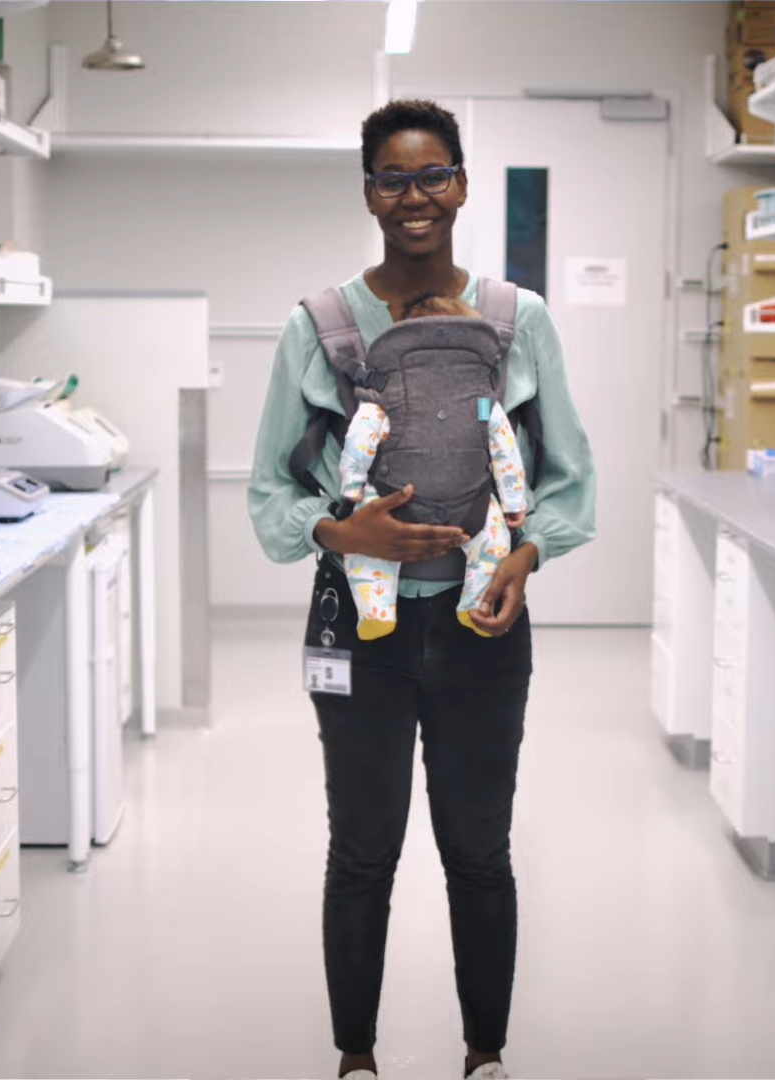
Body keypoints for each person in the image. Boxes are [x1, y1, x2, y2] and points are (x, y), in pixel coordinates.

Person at [247, 99, 597, 1080]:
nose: (416, 196)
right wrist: (336, 529)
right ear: (368, 193)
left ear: (463, 184)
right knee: (362, 853)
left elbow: (567, 474)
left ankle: (485, 1054)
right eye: (395, 179)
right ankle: (356, 1060)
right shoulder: (317, 328)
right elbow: (271, 484)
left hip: (484, 627)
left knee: (480, 853)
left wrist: (526, 557)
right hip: (358, 632)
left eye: (434, 175)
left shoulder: (515, 320)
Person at [335, 293, 530, 641]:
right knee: (494, 543)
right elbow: (503, 446)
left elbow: (360, 437)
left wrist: (352, 488)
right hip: (471, 504)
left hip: (396, 500)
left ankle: (375, 611)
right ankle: (476, 606)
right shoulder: (483, 401)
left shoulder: (387, 392)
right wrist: (514, 502)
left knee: (365, 544)